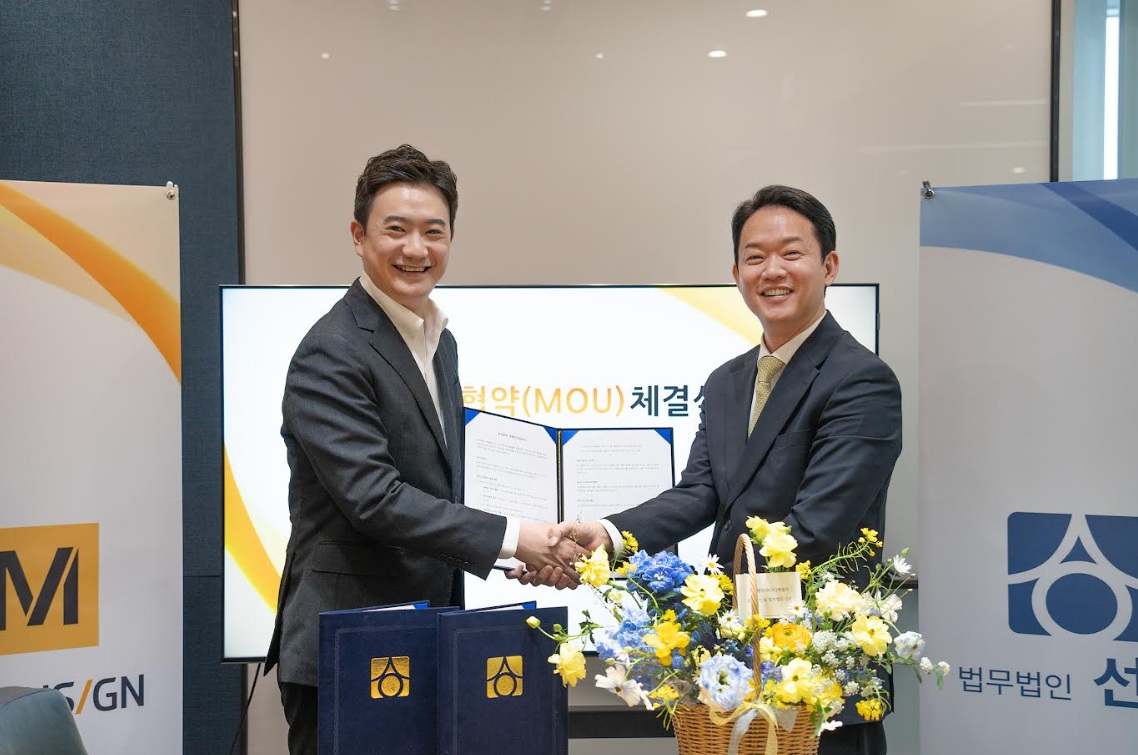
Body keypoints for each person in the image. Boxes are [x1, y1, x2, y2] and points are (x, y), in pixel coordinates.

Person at [512, 185, 902, 755]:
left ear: (829, 266)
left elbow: (818, 530)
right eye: (755, 257)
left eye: (791, 253)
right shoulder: (727, 382)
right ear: (737, 273)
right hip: (730, 675)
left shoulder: (860, 380)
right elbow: (699, 493)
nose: (773, 271)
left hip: (817, 681)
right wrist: (606, 538)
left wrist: (693, 599)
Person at [264, 144, 578, 755]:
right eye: (396, 229)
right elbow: (375, 500)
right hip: (352, 644)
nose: (416, 249)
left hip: (429, 635)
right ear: (358, 236)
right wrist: (516, 536)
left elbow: (436, 492)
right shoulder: (332, 349)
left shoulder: (438, 340)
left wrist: (517, 554)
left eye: (434, 231)